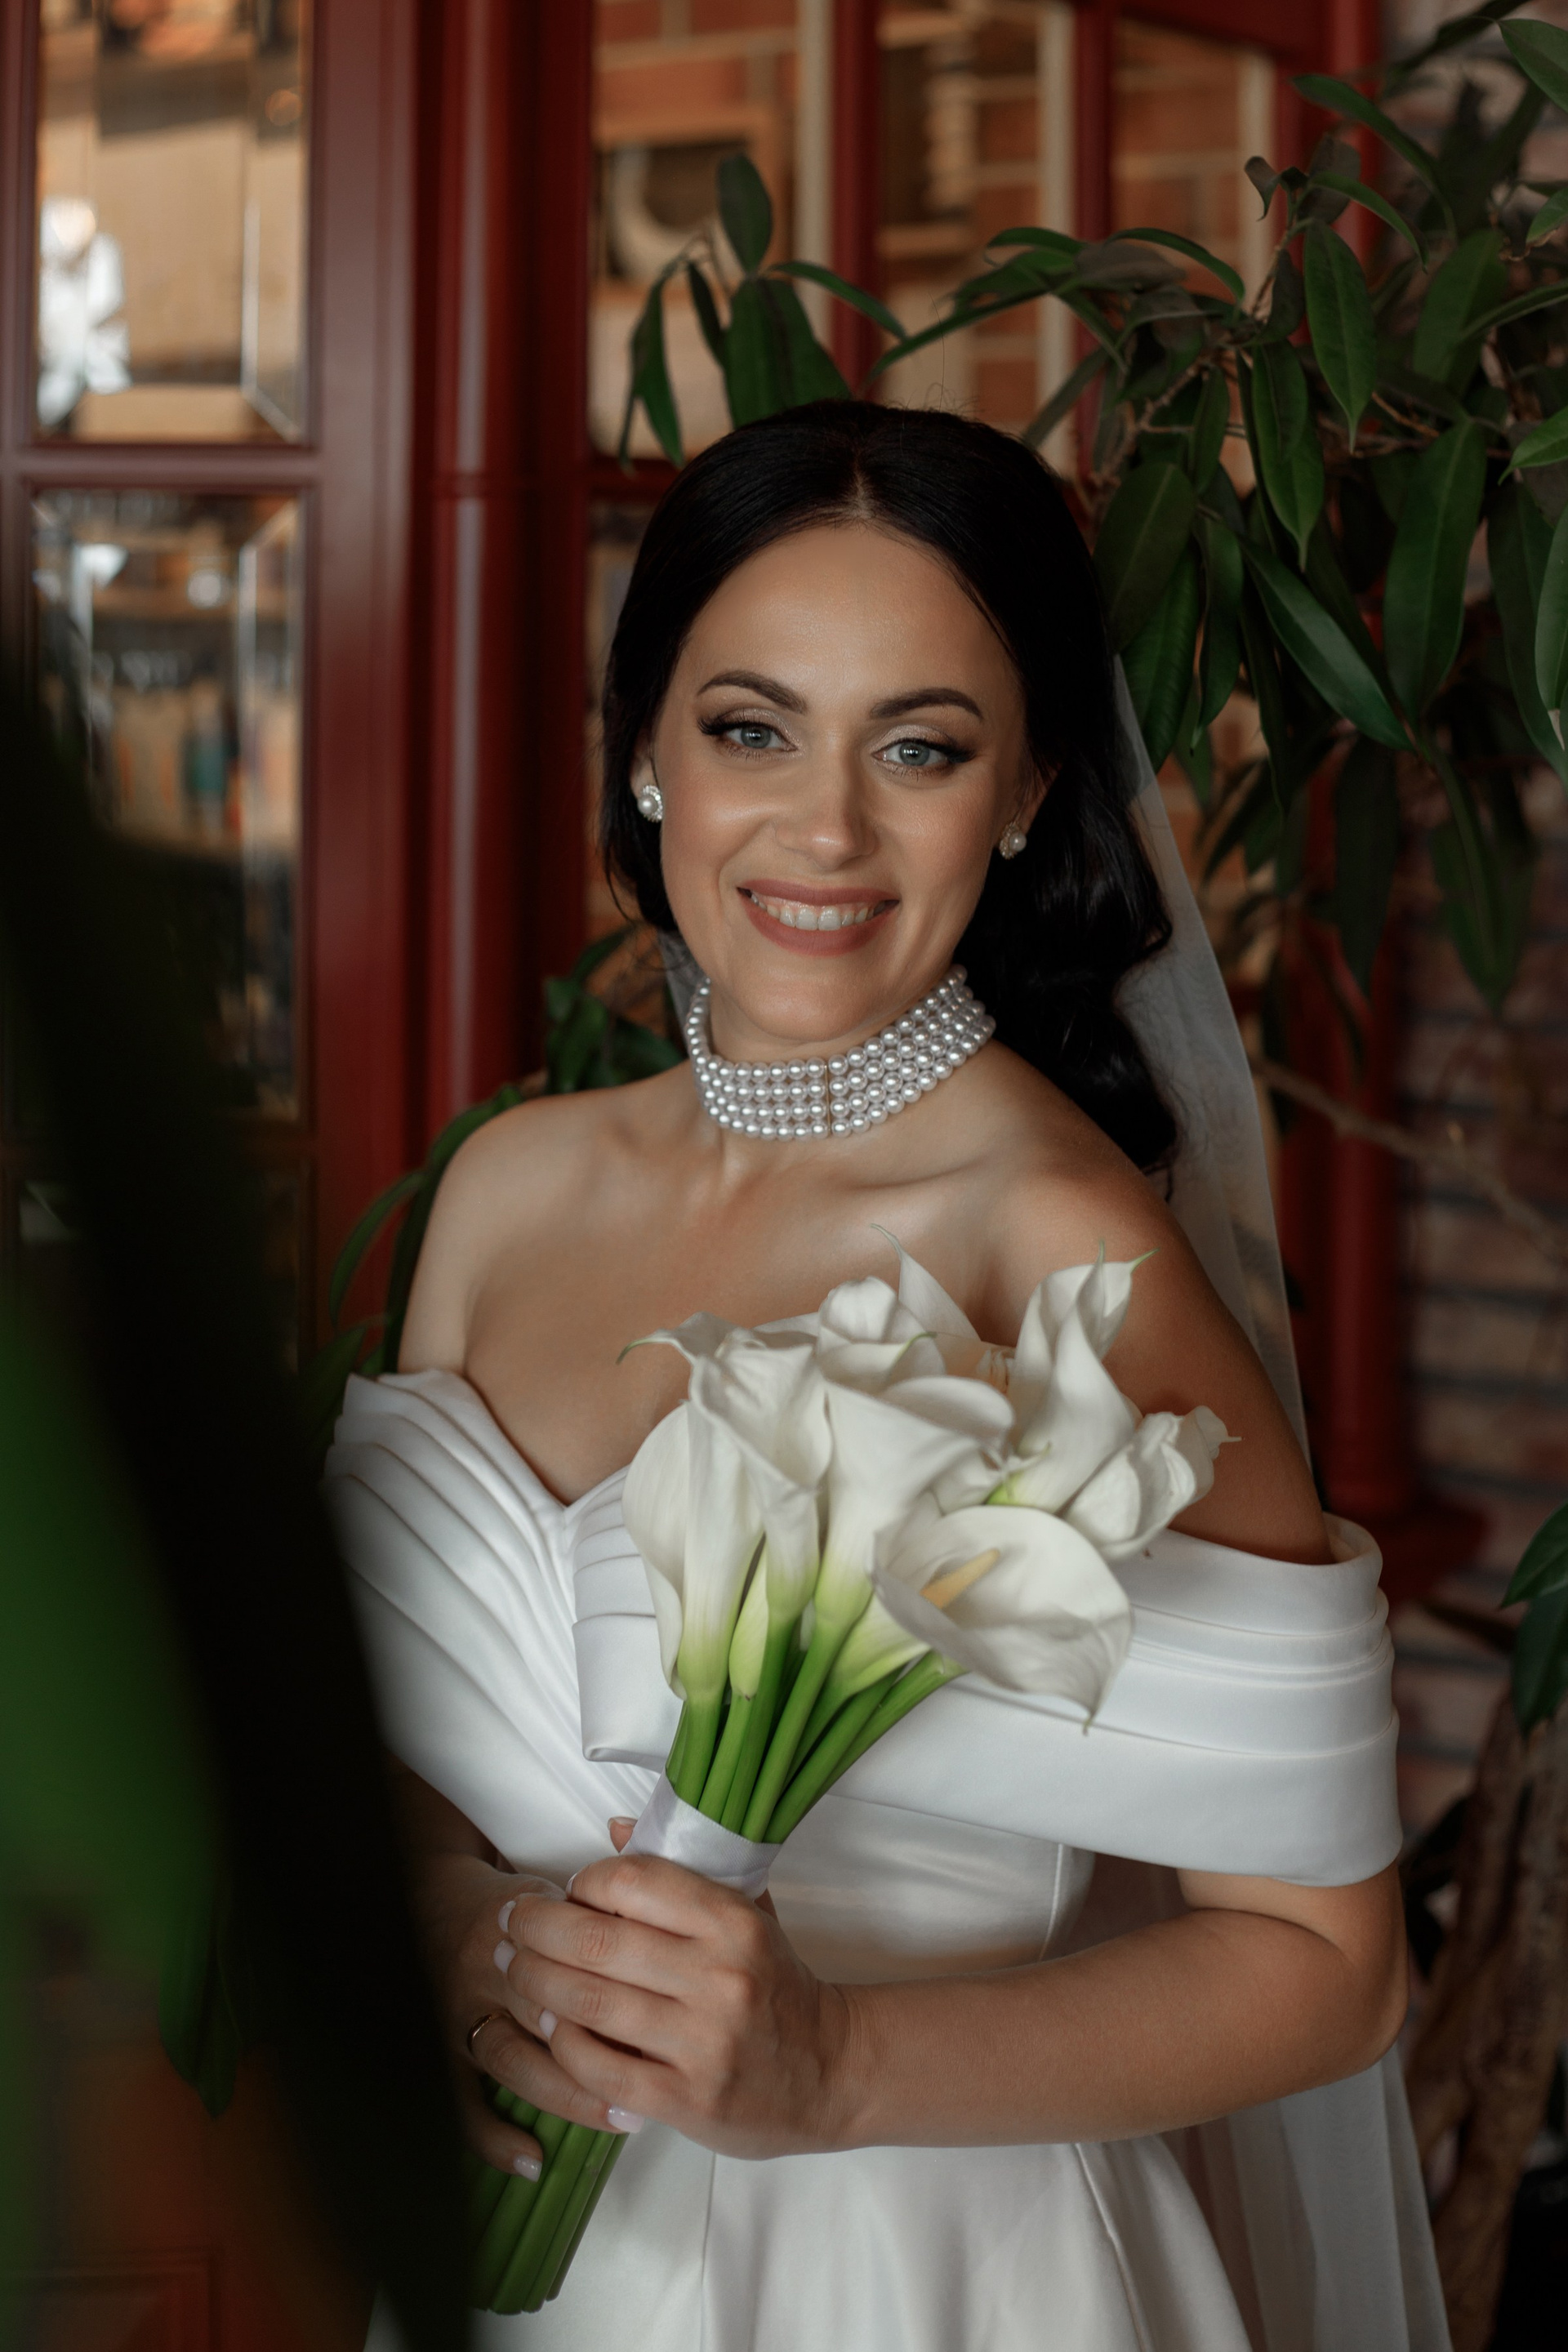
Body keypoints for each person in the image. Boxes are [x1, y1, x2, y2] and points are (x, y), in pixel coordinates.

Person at [327, 403, 1445, 2350]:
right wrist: (457, 1926)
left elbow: (1331, 1969)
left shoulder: (1071, 1257)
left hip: (922, 2273)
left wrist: (829, 2068)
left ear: (1024, 792)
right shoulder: (504, 1192)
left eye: (917, 747)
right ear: (647, 752)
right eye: (751, 729)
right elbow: (412, 1770)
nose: (826, 830)